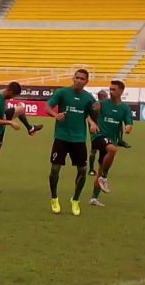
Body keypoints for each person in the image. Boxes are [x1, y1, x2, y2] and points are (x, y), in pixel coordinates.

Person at [45, 69, 99, 216]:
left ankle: (75, 199)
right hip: (61, 137)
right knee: (55, 169)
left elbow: (90, 113)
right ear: (72, 78)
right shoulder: (62, 93)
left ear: (86, 81)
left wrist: (93, 122)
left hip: (79, 139)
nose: (79, 80)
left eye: (82, 79)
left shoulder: (88, 98)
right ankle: (54, 198)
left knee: (82, 170)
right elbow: (47, 107)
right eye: (77, 77)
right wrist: (56, 115)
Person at [88, 81, 133, 207]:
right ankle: (104, 177)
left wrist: (128, 127)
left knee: (102, 166)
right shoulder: (102, 104)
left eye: (114, 89)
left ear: (121, 91)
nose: (111, 92)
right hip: (99, 136)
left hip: (111, 139)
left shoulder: (124, 108)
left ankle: (94, 198)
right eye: (110, 89)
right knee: (113, 150)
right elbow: (88, 114)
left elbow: (128, 122)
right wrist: (92, 123)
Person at [88, 89, 109, 176]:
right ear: (103, 96)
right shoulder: (98, 106)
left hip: (97, 131)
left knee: (96, 150)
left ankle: (94, 169)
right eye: (105, 96)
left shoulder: (95, 105)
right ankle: (93, 169)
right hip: (98, 131)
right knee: (97, 150)